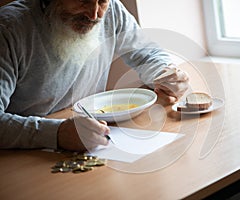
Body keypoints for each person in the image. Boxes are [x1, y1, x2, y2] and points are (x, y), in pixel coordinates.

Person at [0, 0, 189, 151]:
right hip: (25, 154)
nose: (94, 14)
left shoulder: (112, 9)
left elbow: (147, 54)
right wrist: (56, 133)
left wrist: (165, 74)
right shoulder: (8, 29)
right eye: (83, 1)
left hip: (93, 139)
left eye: (102, 2)